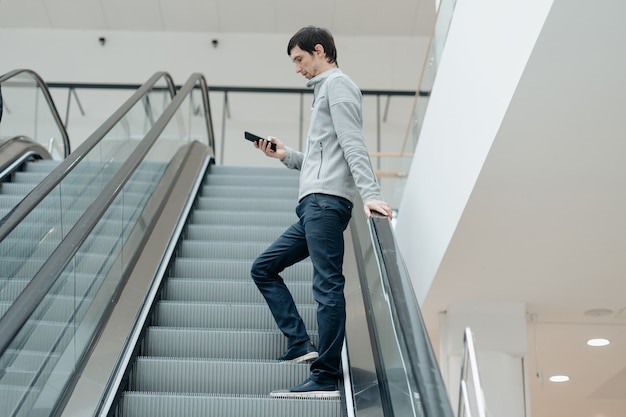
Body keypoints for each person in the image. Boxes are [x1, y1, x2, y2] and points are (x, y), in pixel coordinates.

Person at [250, 26, 393, 399]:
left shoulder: (339, 86)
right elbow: (322, 157)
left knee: (327, 287)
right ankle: (300, 344)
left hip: (326, 204)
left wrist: (371, 193)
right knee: (263, 267)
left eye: (299, 59)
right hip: (315, 204)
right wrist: (285, 155)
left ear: (319, 51)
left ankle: (326, 376)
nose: (297, 68)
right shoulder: (323, 93)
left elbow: (351, 143)